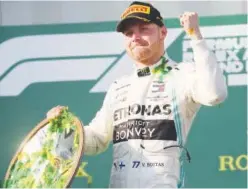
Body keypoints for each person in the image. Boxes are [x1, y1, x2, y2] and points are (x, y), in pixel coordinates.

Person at [47, 1, 228, 188]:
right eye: (129, 33)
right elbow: (97, 139)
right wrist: (66, 127)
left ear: (163, 33)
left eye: (144, 29)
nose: (135, 37)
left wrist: (195, 36)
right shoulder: (118, 87)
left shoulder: (182, 74)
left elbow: (214, 94)